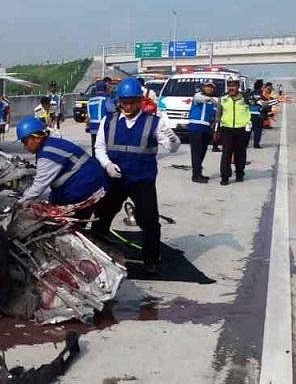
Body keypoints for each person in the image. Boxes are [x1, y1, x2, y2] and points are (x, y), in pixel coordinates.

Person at [91, 78, 181, 275]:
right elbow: (99, 148)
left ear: (140, 101)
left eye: (132, 102)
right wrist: (107, 165)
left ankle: (151, 260)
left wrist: (172, 138)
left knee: (149, 221)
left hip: (142, 181)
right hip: (116, 179)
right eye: (124, 102)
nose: (128, 106)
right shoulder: (109, 120)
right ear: (119, 101)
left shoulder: (154, 123)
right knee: (102, 216)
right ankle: (97, 252)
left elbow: (173, 148)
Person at [15, 116, 108, 214]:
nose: (24, 147)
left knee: (62, 221)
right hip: (91, 182)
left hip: (86, 188)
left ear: (37, 138)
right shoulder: (52, 143)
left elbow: (39, 185)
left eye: (25, 142)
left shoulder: (48, 154)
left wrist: (21, 202)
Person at [214, 75, 251, 185]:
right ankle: (225, 176)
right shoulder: (223, 98)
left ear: (238, 86)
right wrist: (216, 130)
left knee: (240, 153)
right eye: (229, 85)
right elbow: (218, 116)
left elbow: (255, 109)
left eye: (233, 85)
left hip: (242, 130)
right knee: (226, 154)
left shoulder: (245, 98)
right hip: (227, 129)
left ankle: (240, 174)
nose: (231, 88)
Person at [187, 81, 219, 183]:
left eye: (211, 87)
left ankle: (199, 172)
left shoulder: (214, 101)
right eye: (207, 87)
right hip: (195, 128)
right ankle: (195, 176)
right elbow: (202, 99)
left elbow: (215, 116)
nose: (209, 89)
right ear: (203, 88)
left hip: (206, 129)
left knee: (202, 152)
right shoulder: (198, 96)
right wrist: (214, 101)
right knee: (196, 152)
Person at [86, 81, 115, 156]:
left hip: (93, 127)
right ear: (105, 88)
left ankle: (94, 162)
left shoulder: (90, 100)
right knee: (103, 148)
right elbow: (112, 110)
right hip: (103, 127)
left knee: (94, 146)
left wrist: (87, 126)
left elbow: (88, 116)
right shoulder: (106, 99)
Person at [248, 79, 265, 149]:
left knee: (248, 130)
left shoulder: (250, 94)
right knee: (258, 130)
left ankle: (245, 144)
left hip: (249, 115)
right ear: (260, 87)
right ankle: (256, 144)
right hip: (258, 115)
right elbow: (265, 106)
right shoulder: (262, 96)